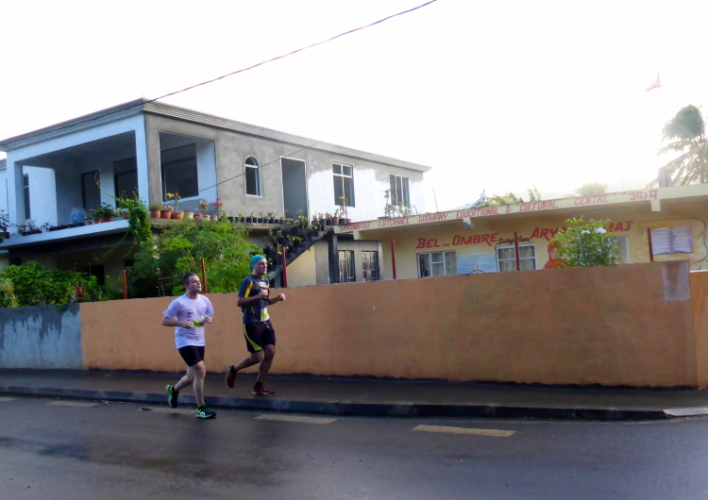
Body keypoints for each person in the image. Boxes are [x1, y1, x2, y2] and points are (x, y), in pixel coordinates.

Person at [226, 255, 285, 396]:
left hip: (266, 321)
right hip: (252, 322)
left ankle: (259, 385)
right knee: (257, 357)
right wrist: (258, 296)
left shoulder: (265, 281)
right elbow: (240, 302)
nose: (264, 266)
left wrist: (277, 299)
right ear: (253, 266)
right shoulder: (249, 281)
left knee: (270, 352)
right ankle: (233, 369)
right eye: (260, 264)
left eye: (265, 264)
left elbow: (265, 301)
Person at [162, 272, 216, 419]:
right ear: (186, 285)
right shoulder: (179, 302)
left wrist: (208, 319)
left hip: (199, 341)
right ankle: (201, 408)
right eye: (194, 282)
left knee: (191, 376)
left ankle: (173, 389)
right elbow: (164, 321)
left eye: (199, 281)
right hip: (184, 341)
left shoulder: (204, 300)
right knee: (201, 371)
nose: (198, 283)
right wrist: (181, 323)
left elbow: (209, 316)